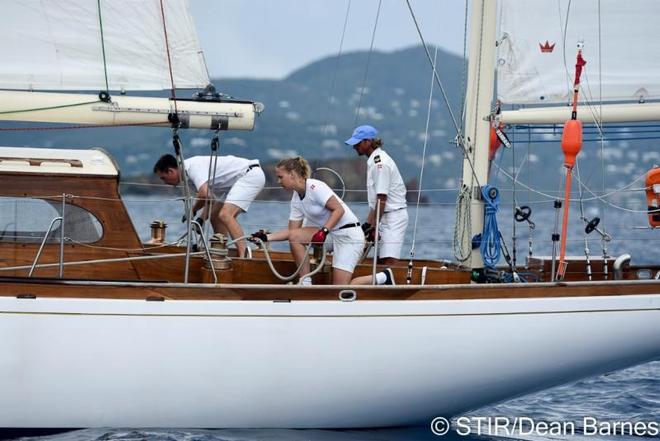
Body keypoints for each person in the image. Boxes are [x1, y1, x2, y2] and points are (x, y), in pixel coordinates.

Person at [249, 156, 364, 285]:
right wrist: (265, 237)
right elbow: (292, 232)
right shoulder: (296, 198)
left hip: (348, 236)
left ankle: (382, 277)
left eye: (281, 177)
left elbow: (339, 210)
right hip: (331, 236)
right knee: (295, 237)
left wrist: (324, 231)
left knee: (339, 288)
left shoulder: (315, 187)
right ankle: (305, 282)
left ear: (292, 174)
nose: (278, 181)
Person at [153, 153, 265, 257]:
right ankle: (221, 252)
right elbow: (210, 199)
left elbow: (204, 194)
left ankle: (244, 256)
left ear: (171, 171)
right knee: (215, 216)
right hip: (232, 183)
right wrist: (201, 220)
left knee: (226, 215)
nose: (164, 182)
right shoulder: (188, 179)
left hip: (249, 174)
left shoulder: (192, 167)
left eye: (163, 178)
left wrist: (192, 210)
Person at [345, 125, 407, 286]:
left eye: (357, 143)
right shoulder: (373, 160)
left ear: (368, 142)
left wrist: (374, 225)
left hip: (394, 216)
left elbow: (382, 198)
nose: (354, 146)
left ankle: (394, 291)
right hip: (383, 215)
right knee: (380, 261)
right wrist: (368, 224)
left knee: (389, 260)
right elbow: (375, 202)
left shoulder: (381, 163)